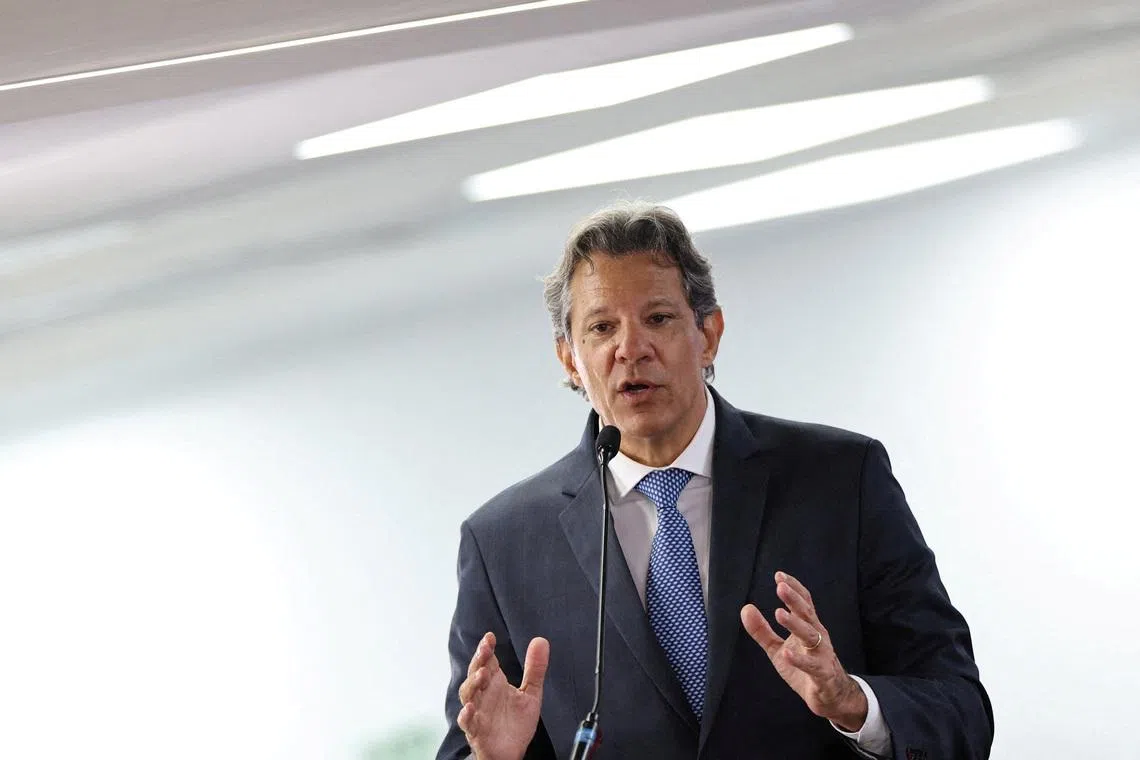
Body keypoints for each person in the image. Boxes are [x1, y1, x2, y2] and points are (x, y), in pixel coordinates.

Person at [437, 202, 993, 760]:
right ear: (569, 359)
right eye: (602, 328)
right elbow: (470, 745)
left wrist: (852, 702)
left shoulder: (842, 479)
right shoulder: (503, 544)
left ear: (708, 333)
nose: (631, 349)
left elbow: (959, 709)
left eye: (658, 318)